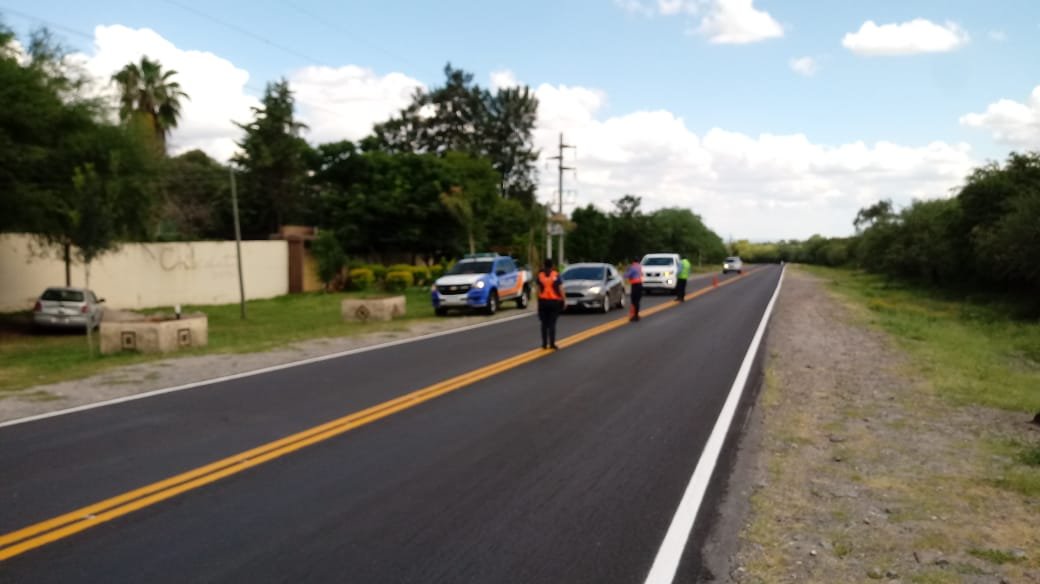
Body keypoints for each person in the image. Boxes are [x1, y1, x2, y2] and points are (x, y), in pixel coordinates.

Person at [537, 258, 563, 350]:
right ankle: (552, 344)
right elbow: (560, 289)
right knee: (552, 323)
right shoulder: (556, 275)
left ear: (544, 265)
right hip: (554, 302)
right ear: (552, 266)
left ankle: (544, 344)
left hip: (543, 302)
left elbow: (538, 290)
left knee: (544, 324)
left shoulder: (540, 275)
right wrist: (564, 299)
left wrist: (538, 301)